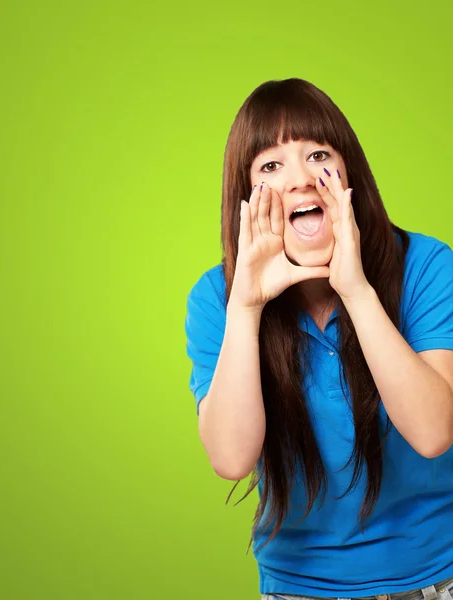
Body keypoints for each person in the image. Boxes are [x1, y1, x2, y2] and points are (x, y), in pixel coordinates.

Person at [184, 78, 453, 600]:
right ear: (245, 194)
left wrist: (354, 288)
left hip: (438, 575)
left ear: (349, 172)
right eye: (270, 166)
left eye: (318, 154)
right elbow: (231, 459)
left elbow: (433, 432)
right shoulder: (216, 299)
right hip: (298, 587)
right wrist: (246, 308)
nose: (301, 179)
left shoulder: (426, 266)